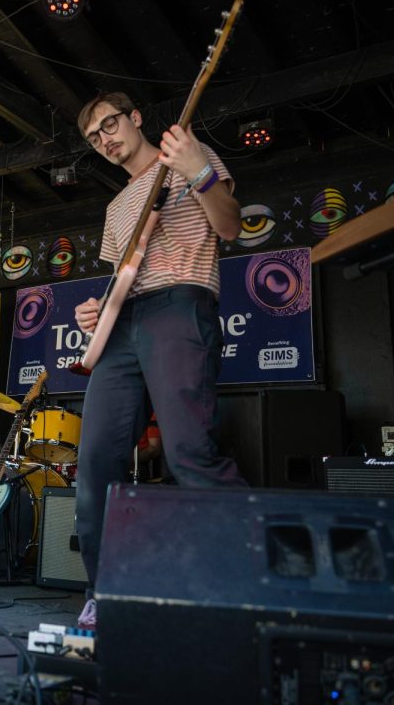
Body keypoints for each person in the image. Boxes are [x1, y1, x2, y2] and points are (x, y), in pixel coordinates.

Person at [71, 93, 248, 628]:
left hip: (181, 301)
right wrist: (99, 309)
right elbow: (125, 275)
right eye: (94, 136)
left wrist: (198, 173)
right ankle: (104, 591)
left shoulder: (189, 154)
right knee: (96, 458)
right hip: (124, 322)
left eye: (111, 123)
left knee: (189, 451)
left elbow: (231, 226)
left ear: (135, 117)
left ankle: (245, 575)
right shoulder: (114, 207)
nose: (106, 138)